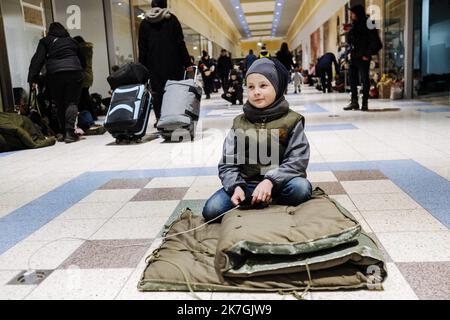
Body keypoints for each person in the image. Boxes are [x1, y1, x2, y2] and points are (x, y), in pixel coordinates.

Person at [202, 58, 312, 223]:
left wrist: (270, 180)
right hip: (247, 184)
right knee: (212, 210)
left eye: (263, 85)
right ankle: (259, 201)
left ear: (277, 86)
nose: (256, 92)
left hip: (281, 184)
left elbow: (298, 160)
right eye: (251, 87)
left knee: (301, 188)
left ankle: (268, 200)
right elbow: (228, 163)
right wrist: (236, 187)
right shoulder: (239, 122)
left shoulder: (292, 121)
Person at [28, 22, 85, 143]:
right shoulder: (72, 41)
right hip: (75, 72)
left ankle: (64, 133)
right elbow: (82, 60)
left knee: (59, 103)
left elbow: (37, 60)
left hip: (55, 74)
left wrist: (33, 78)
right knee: (71, 102)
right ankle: (70, 132)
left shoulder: (45, 41)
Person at [138, 0, 192, 126]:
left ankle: (160, 119)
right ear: (165, 4)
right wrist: (187, 63)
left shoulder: (144, 23)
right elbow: (180, 43)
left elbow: (142, 48)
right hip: (174, 64)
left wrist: (142, 69)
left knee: (157, 93)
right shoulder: (172, 19)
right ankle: (174, 118)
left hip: (153, 66)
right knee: (174, 91)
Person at [343, 4, 379, 111]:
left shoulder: (369, 22)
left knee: (364, 79)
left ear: (357, 13)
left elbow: (375, 40)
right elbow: (350, 40)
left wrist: (367, 54)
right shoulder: (354, 24)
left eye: (352, 13)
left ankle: (365, 102)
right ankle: (354, 102)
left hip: (363, 56)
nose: (351, 15)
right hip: (354, 56)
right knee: (352, 79)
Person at [74, 36, 96, 119]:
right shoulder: (88, 50)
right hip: (88, 76)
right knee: (85, 96)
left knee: (83, 97)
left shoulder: (80, 50)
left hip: (83, 76)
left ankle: (89, 116)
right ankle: (92, 115)